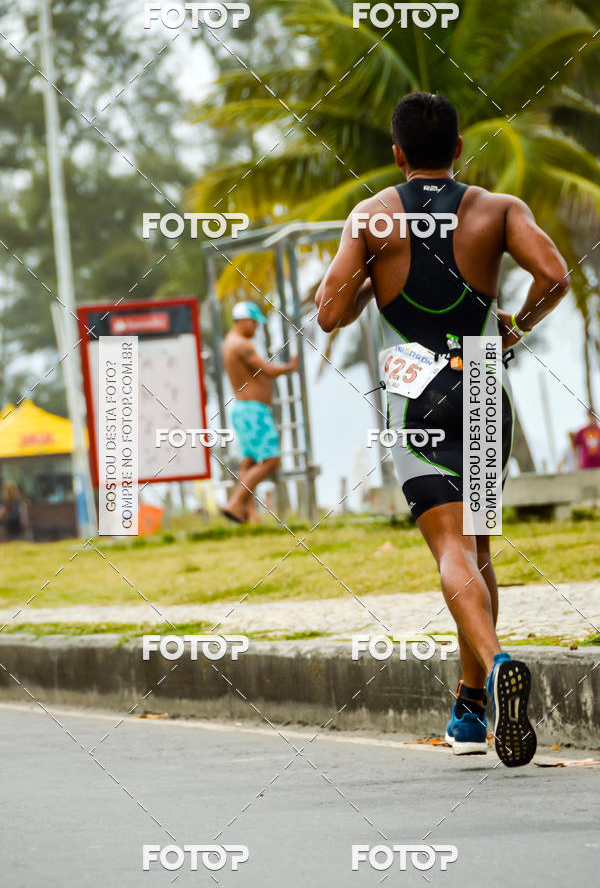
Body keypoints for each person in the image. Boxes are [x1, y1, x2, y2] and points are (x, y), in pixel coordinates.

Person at [315, 92, 570, 766]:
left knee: (452, 551)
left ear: (397, 154)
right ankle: (469, 708)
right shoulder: (498, 209)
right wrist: (518, 323)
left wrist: (372, 276)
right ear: (458, 148)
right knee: (480, 550)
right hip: (483, 379)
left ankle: (492, 668)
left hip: (414, 385)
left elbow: (328, 314)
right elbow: (553, 276)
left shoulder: (371, 218)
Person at [221, 301, 298, 523]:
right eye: (254, 323)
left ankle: (247, 514)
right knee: (271, 460)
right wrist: (290, 367)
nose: (256, 328)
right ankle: (235, 503)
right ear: (245, 321)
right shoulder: (241, 345)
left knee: (250, 461)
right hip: (254, 412)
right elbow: (268, 370)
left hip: (245, 410)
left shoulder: (229, 343)